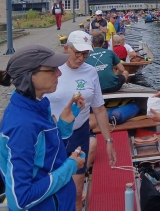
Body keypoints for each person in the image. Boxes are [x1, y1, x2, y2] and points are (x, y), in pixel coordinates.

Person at [0, 45, 86, 211]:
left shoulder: (37, 107)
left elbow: (46, 158)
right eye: (52, 69)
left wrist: (63, 127)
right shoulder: (22, 126)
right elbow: (20, 199)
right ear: (30, 76)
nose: (59, 73)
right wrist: (71, 166)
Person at [45, 31, 117, 211]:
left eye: (85, 54)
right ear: (66, 48)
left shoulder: (91, 72)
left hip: (79, 135)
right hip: (53, 137)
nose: (81, 58)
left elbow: (99, 108)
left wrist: (108, 141)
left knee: (76, 191)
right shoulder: (52, 70)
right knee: (54, 189)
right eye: (77, 52)